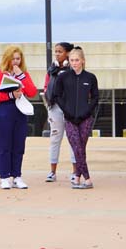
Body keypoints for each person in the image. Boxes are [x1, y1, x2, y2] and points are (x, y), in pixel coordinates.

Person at [0, 45, 38, 190]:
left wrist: (21, 76)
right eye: (13, 59)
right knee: (4, 145)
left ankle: (17, 175)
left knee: (19, 145)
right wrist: (10, 95)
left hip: (20, 111)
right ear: (7, 60)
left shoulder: (24, 74)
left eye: (18, 59)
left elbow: (32, 91)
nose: (15, 62)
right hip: (5, 110)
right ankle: (4, 176)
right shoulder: (0, 74)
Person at [53, 46, 99, 189]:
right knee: (76, 147)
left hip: (85, 118)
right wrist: (67, 111)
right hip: (69, 118)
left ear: (83, 61)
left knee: (80, 148)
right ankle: (88, 178)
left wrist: (87, 111)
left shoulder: (90, 78)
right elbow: (57, 95)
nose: (74, 63)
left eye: (77, 60)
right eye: (72, 60)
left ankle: (78, 176)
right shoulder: (63, 77)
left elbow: (95, 98)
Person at [42, 42, 77, 184]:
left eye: (60, 51)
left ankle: (76, 171)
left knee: (73, 139)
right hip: (55, 106)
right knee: (55, 137)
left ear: (67, 53)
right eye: (55, 51)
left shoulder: (73, 68)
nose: (57, 54)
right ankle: (52, 171)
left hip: (69, 107)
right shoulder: (52, 69)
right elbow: (46, 85)